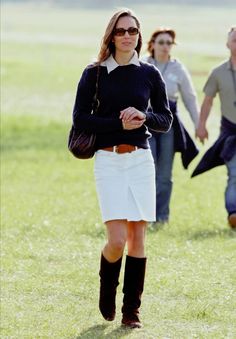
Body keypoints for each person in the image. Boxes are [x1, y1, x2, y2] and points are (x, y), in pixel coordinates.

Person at [71, 9, 173, 328]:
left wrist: (143, 118)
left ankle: (132, 312)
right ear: (111, 36)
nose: (127, 35)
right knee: (116, 240)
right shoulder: (94, 73)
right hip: (108, 160)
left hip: (140, 160)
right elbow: (80, 119)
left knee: (138, 239)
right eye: (121, 31)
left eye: (132, 30)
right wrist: (118, 121)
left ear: (139, 35)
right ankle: (106, 288)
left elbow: (165, 119)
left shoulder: (150, 74)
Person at [142, 28, 199, 226]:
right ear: (153, 44)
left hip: (169, 124)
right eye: (161, 42)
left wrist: (198, 124)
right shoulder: (143, 64)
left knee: (165, 174)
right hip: (146, 122)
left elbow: (190, 98)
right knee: (148, 170)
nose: (165, 46)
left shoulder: (178, 69)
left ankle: (162, 218)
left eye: (169, 43)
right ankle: (146, 217)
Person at [193, 27, 236, 229]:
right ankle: (234, 213)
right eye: (234, 40)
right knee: (234, 174)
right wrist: (201, 126)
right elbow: (208, 101)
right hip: (230, 134)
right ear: (227, 44)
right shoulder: (218, 73)